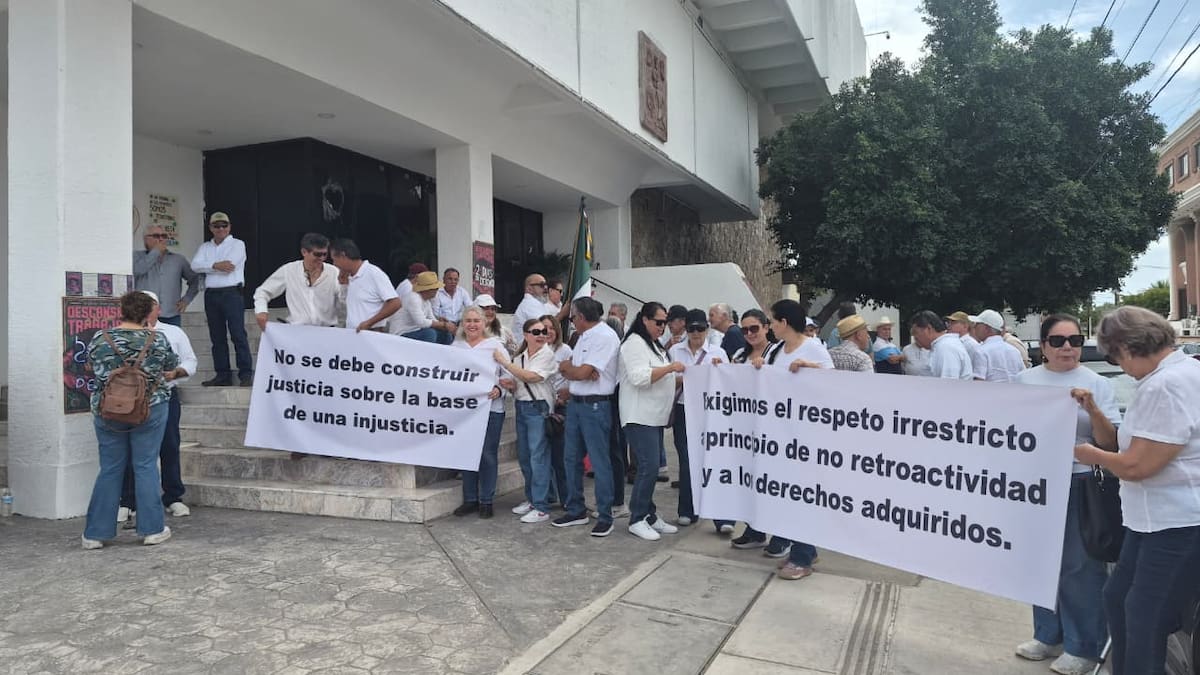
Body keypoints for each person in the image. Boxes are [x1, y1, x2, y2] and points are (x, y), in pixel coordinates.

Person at [1075, 306, 1200, 675]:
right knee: (1119, 599)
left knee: (1146, 616)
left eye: (1114, 357)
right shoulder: (1178, 374)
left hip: (1176, 521)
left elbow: (1137, 466)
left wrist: (1086, 454)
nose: (1120, 367)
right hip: (1152, 520)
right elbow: (1128, 447)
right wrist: (1094, 412)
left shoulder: (1167, 385)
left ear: (1126, 348)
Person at [1011, 314, 1119, 675]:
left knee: (1079, 565)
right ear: (1043, 346)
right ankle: (1047, 634)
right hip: (1034, 483)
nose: (1067, 347)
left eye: (1074, 340)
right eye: (1058, 341)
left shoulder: (1097, 383)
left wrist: (1092, 409)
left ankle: (1083, 645)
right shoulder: (1024, 381)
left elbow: (1110, 442)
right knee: (1039, 561)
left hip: (1079, 481)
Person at [81, 291, 181, 549]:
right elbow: (171, 364)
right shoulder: (157, 339)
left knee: (110, 467)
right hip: (150, 407)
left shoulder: (101, 338)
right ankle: (152, 530)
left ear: (121, 311)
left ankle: (94, 534)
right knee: (145, 465)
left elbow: (89, 366)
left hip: (109, 408)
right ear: (148, 313)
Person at [747, 299, 832, 580]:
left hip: (807, 435)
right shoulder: (776, 350)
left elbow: (835, 384)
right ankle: (804, 549)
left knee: (801, 495)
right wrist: (760, 366)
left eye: (772, 321)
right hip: (781, 434)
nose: (770, 326)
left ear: (784, 322)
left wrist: (810, 368)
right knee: (788, 494)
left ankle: (802, 558)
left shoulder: (813, 348)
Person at [117, 291, 198, 526]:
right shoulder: (122, 334)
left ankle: (173, 496)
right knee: (131, 449)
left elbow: (189, 360)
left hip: (165, 396)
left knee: (169, 445)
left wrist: (177, 373)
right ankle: (128, 501)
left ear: (157, 309)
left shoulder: (173, 333)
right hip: (131, 398)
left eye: (150, 305)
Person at [553, 297, 621, 537]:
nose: (571, 321)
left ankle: (605, 516)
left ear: (581, 317)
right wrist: (575, 372)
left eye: (572, 317)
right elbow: (575, 369)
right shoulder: (584, 336)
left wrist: (573, 371)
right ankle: (576, 510)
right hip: (577, 403)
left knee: (600, 462)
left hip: (596, 406)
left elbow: (580, 371)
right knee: (571, 458)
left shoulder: (604, 336)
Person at [618, 302, 684, 541]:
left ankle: (649, 514)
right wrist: (670, 368)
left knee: (652, 467)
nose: (662, 327)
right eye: (658, 322)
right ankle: (637, 518)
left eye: (665, 322)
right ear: (645, 319)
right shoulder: (634, 343)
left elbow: (665, 379)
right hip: (639, 415)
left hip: (654, 416)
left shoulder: (653, 344)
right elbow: (639, 377)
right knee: (648, 466)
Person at [451, 306, 511, 519]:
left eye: (476, 320)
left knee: (487, 454)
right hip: (465, 410)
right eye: (468, 320)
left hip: (491, 409)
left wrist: (500, 389)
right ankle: (470, 499)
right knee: (467, 453)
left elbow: (509, 375)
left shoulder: (495, 346)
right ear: (462, 323)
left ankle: (486, 500)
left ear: (485, 323)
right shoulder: (455, 347)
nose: (472, 325)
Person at [498, 318, 559, 523]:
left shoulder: (547, 355)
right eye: (536, 332)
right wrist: (510, 385)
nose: (541, 335)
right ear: (526, 335)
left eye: (543, 332)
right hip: (522, 406)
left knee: (537, 457)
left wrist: (505, 363)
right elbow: (520, 382)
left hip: (538, 408)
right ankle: (533, 498)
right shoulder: (521, 357)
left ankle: (541, 506)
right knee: (525, 456)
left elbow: (532, 377)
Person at [190, 212, 253, 387]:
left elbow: (230, 266)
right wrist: (215, 265)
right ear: (211, 228)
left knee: (237, 334)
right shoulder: (205, 247)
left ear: (229, 227)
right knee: (216, 337)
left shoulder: (238, 244)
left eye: (224, 225)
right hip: (211, 294)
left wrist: (208, 267)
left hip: (232, 293)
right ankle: (222, 374)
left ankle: (245, 373)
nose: (221, 229)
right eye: (216, 226)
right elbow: (194, 266)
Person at [668, 308, 718, 526]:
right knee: (687, 461)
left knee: (714, 460)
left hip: (710, 411)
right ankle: (687, 509)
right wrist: (684, 377)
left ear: (707, 329)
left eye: (700, 328)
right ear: (686, 329)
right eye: (692, 329)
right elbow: (666, 381)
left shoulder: (717, 353)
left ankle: (721, 516)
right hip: (684, 409)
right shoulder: (675, 351)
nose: (696, 333)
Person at [252, 233, 343, 331]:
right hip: (297, 331)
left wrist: (345, 287)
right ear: (304, 252)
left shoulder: (334, 272)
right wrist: (261, 311)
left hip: (327, 331)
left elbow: (344, 301)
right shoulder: (289, 270)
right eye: (317, 254)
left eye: (324, 254)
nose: (321, 258)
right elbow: (262, 291)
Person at [133, 225, 201, 326]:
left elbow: (196, 280)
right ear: (146, 239)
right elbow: (138, 270)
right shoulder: (136, 256)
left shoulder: (178, 259)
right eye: (156, 236)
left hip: (171, 315)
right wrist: (155, 252)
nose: (161, 239)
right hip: (143, 315)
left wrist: (186, 300)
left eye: (164, 236)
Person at [329, 239, 401, 333]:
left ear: (343, 255)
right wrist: (344, 284)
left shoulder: (373, 273)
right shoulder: (349, 277)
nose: (334, 264)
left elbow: (395, 303)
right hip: (353, 333)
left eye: (334, 260)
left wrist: (369, 323)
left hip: (371, 333)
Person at [541, 314, 572, 506]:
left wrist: (564, 396)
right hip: (540, 407)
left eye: (552, 327)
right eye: (544, 328)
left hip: (560, 409)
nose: (548, 332)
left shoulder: (565, 350)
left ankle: (567, 498)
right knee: (542, 456)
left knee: (560, 456)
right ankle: (549, 495)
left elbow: (572, 376)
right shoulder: (534, 350)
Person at [391, 271, 454, 342]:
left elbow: (431, 319)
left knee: (445, 334)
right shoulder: (413, 298)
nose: (437, 290)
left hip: (415, 330)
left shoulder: (426, 301)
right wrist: (444, 324)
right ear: (427, 289)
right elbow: (421, 322)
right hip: (402, 333)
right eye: (435, 288)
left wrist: (446, 326)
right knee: (429, 334)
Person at [911, 311, 973, 380]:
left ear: (928, 329)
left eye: (915, 333)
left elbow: (948, 383)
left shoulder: (945, 348)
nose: (915, 338)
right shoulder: (943, 345)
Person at [970, 309, 1024, 383]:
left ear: (986, 328)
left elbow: (979, 382)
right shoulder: (1015, 351)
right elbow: (1022, 377)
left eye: (977, 324)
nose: (974, 327)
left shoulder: (981, 352)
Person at [432, 267, 471, 345]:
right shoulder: (438, 293)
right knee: (448, 336)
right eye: (450, 279)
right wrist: (447, 324)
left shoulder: (462, 291)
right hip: (444, 325)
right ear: (444, 279)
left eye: (456, 279)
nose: (453, 282)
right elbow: (435, 314)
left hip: (459, 324)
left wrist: (463, 322)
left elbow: (470, 308)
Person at [946, 311, 985, 380]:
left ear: (965, 326)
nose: (949, 325)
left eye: (954, 322)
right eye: (949, 322)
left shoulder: (972, 345)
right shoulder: (952, 342)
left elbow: (978, 371)